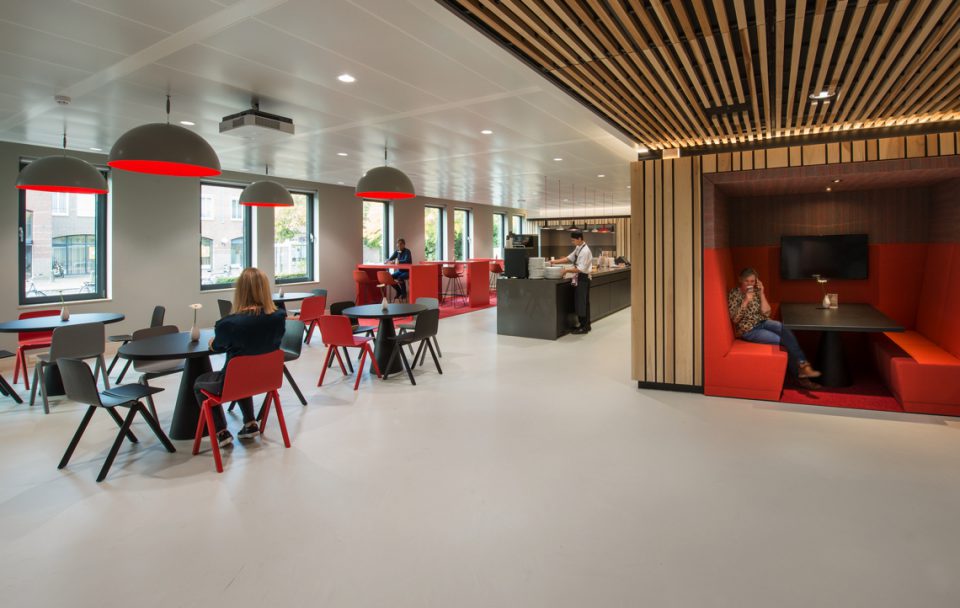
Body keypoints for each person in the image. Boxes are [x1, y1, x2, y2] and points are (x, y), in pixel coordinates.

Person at [194, 267, 286, 447]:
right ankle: (250, 423)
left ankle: (220, 431)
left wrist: (212, 343)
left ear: (241, 291)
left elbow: (217, 346)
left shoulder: (229, 324)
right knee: (244, 373)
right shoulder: (279, 317)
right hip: (267, 379)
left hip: (234, 382)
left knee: (199, 383)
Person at [728, 267, 822, 388]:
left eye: (752, 281)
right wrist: (745, 301)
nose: (750, 284)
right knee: (784, 341)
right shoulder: (734, 294)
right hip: (749, 330)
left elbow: (767, 313)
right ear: (740, 279)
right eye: (747, 281)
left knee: (784, 328)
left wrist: (762, 293)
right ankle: (802, 378)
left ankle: (803, 365)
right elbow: (735, 319)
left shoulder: (756, 292)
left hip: (763, 322)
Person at [548, 230, 593, 334]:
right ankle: (586, 325)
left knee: (582, 303)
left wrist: (566, 270)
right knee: (582, 302)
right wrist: (553, 262)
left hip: (583, 278)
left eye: (573, 240)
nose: (572, 242)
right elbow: (569, 258)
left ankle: (584, 327)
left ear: (580, 239)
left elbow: (580, 269)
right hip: (579, 278)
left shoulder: (585, 251)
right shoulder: (578, 247)